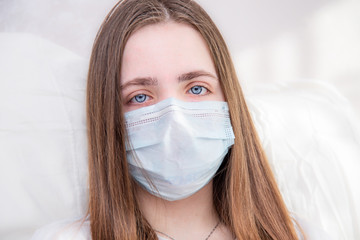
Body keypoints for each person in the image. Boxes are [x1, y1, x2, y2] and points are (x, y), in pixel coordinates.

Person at [32, 0, 309, 239]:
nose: (174, 118)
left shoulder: (293, 233)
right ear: (109, 119)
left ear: (229, 101)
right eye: (140, 97)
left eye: (196, 88)